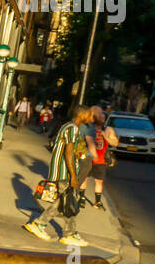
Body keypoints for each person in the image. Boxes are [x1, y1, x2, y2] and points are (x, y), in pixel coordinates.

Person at [25, 105, 96, 246]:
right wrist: (73, 176)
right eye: (88, 115)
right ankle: (58, 230)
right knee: (68, 201)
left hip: (64, 171)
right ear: (80, 115)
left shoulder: (69, 127)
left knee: (65, 201)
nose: (90, 118)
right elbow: (68, 153)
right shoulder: (72, 129)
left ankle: (61, 230)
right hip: (63, 171)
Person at [88, 106, 118, 209]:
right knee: (83, 179)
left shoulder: (108, 130)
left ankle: (97, 202)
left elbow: (115, 143)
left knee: (99, 181)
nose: (102, 119)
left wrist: (105, 136)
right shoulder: (89, 127)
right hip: (87, 159)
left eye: (104, 118)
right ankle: (81, 198)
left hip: (100, 161)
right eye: (100, 117)